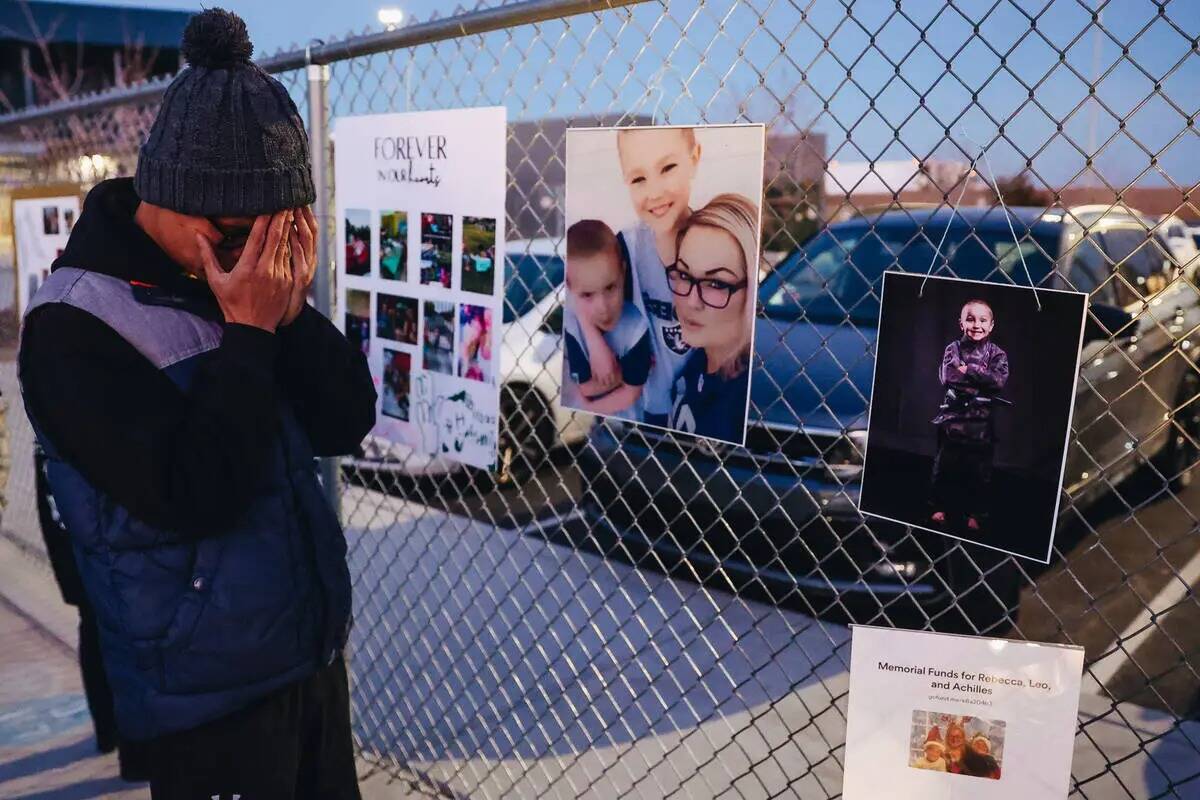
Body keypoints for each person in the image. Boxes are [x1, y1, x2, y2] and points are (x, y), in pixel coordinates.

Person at [18, 9, 376, 799]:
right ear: (177, 198)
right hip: (204, 700)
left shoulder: (241, 283)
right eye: (246, 230)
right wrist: (249, 334)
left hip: (305, 660)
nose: (264, 253)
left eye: (280, 229)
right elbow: (194, 495)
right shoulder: (73, 327)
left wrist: (289, 314)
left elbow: (347, 420)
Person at [579, 127, 703, 426]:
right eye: (638, 179)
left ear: (694, 158)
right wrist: (595, 342)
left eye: (668, 168)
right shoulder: (626, 245)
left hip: (705, 401)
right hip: (653, 406)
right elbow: (581, 290)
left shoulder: (719, 243)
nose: (655, 192)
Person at [666, 194, 758, 444]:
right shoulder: (695, 363)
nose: (691, 302)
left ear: (751, 292)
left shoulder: (746, 394)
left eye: (716, 283)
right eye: (684, 275)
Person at [930, 299, 1010, 532]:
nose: (976, 325)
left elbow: (997, 383)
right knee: (944, 467)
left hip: (981, 423)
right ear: (961, 323)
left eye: (982, 320)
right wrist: (978, 380)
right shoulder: (952, 349)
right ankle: (940, 507)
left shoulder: (997, 355)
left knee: (979, 472)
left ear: (991, 325)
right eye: (970, 319)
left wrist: (970, 371)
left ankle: (975, 514)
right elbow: (949, 378)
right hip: (953, 421)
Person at [563, 219, 651, 419]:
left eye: (610, 287)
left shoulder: (636, 325)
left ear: (623, 270)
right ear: (570, 289)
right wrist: (597, 345)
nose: (603, 307)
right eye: (587, 295)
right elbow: (585, 388)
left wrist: (588, 409)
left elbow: (631, 392)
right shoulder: (572, 324)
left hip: (630, 426)